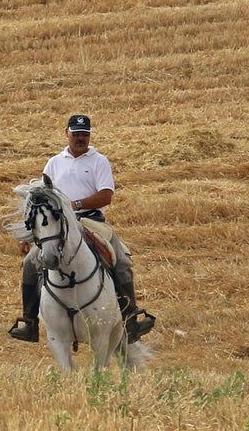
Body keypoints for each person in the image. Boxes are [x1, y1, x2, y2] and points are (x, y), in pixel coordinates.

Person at [9, 114, 156, 344]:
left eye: (84, 134)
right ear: (66, 133)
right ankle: (30, 322)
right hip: (58, 224)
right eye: (76, 134)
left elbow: (106, 195)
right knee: (30, 263)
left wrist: (75, 205)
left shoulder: (99, 161)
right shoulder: (54, 163)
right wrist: (30, 233)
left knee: (123, 261)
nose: (80, 138)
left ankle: (130, 317)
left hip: (90, 220)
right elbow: (41, 200)